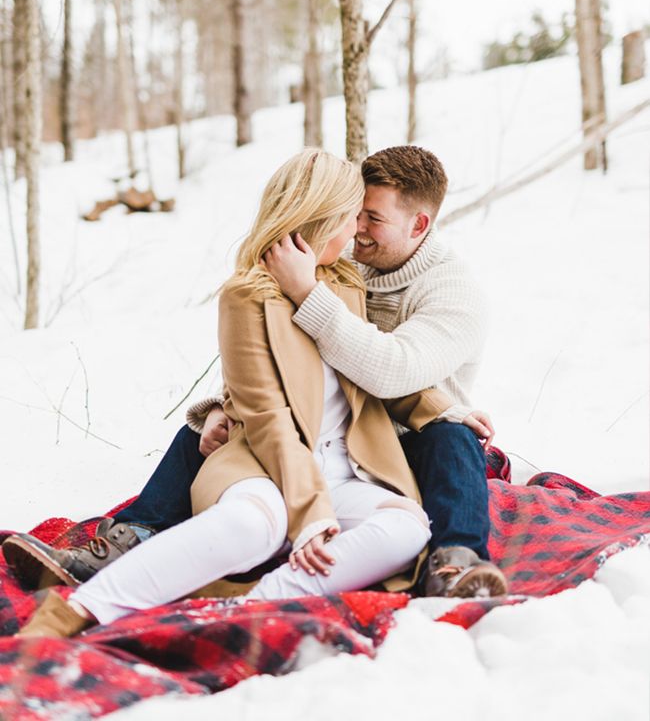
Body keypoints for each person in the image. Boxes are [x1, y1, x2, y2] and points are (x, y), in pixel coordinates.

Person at [6, 145, 506, 599]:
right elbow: (284, 357)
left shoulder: (451, 293)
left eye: (371, 219)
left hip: (404, 434)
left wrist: (309, 292)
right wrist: (226, 407)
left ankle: (456, 561)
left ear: (419, 225)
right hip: (331, 423)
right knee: (206, 435)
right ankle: (132, 538)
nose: (356, 230)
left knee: (454, 435)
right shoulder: (342, 268)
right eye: (354, 215)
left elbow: (394, 374)